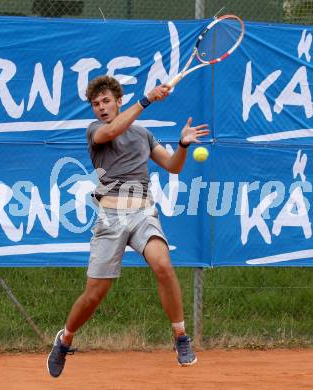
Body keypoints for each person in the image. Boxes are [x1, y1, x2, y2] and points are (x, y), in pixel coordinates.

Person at [47, 75, 209, 377]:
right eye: (96, 104)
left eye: (106, 101)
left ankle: (181, 337)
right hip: (110, 218)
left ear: (118, 101)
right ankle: (65, 338)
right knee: (94, 294)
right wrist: (146, 99)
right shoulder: (96, 131)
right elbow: (113, 129)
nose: (101, 107)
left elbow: (173, 165)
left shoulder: (143, 135)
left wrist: (183, 144)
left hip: (143, 212)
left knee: (163, 264)